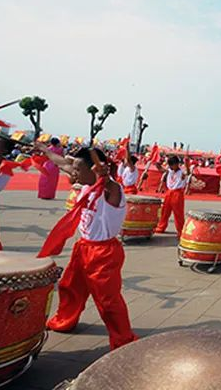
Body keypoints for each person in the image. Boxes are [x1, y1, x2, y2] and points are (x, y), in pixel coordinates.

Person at [34, 144, 138, 349]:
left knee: (107, 300)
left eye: (78, 169)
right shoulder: (85, 185)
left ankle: (123, 340)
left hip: (103, 253)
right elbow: (63, 162)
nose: (74, 172)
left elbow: (110, 185)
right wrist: (43, 150)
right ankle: (65, 320)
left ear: (93, 170)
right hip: (83, 248)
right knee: (70, 287)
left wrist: (104, 177)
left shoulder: (111, 190)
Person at [153, 155, 187, 237]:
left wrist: (188, 165)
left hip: (177, 193)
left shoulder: (182, 172)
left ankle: (181, 231)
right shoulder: (170, 170)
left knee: (178, 214)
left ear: (177, 164)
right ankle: (161, 227)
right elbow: (161, 169)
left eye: (172, 165)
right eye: (169, 165)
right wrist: (157, 164)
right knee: (165, 211)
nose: (171, 167)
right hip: (169, 193)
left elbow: (188, 173)